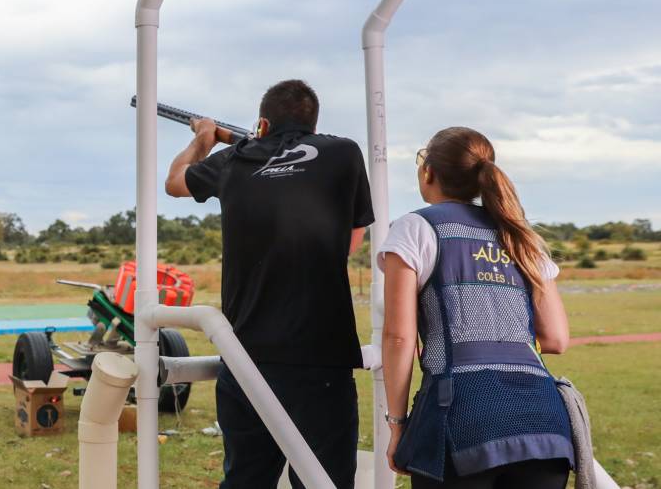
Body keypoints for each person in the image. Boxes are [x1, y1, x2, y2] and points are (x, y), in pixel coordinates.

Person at [165, 79, 374, 488]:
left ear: (262, 124)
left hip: (246, 357)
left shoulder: (235, 158)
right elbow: (352, 239)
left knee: (247, 479)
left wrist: (204, 139)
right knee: (325, 481)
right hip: (322, 355)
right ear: (313, 121)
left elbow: (175, 181)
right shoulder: (344, 152)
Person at [380, 127, 573, 487]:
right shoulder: (519, 236)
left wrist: (398, 425)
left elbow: (398, 338)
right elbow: (557, 339)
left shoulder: (416, 227)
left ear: (428, 172)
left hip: (461, 417)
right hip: (544, 421)